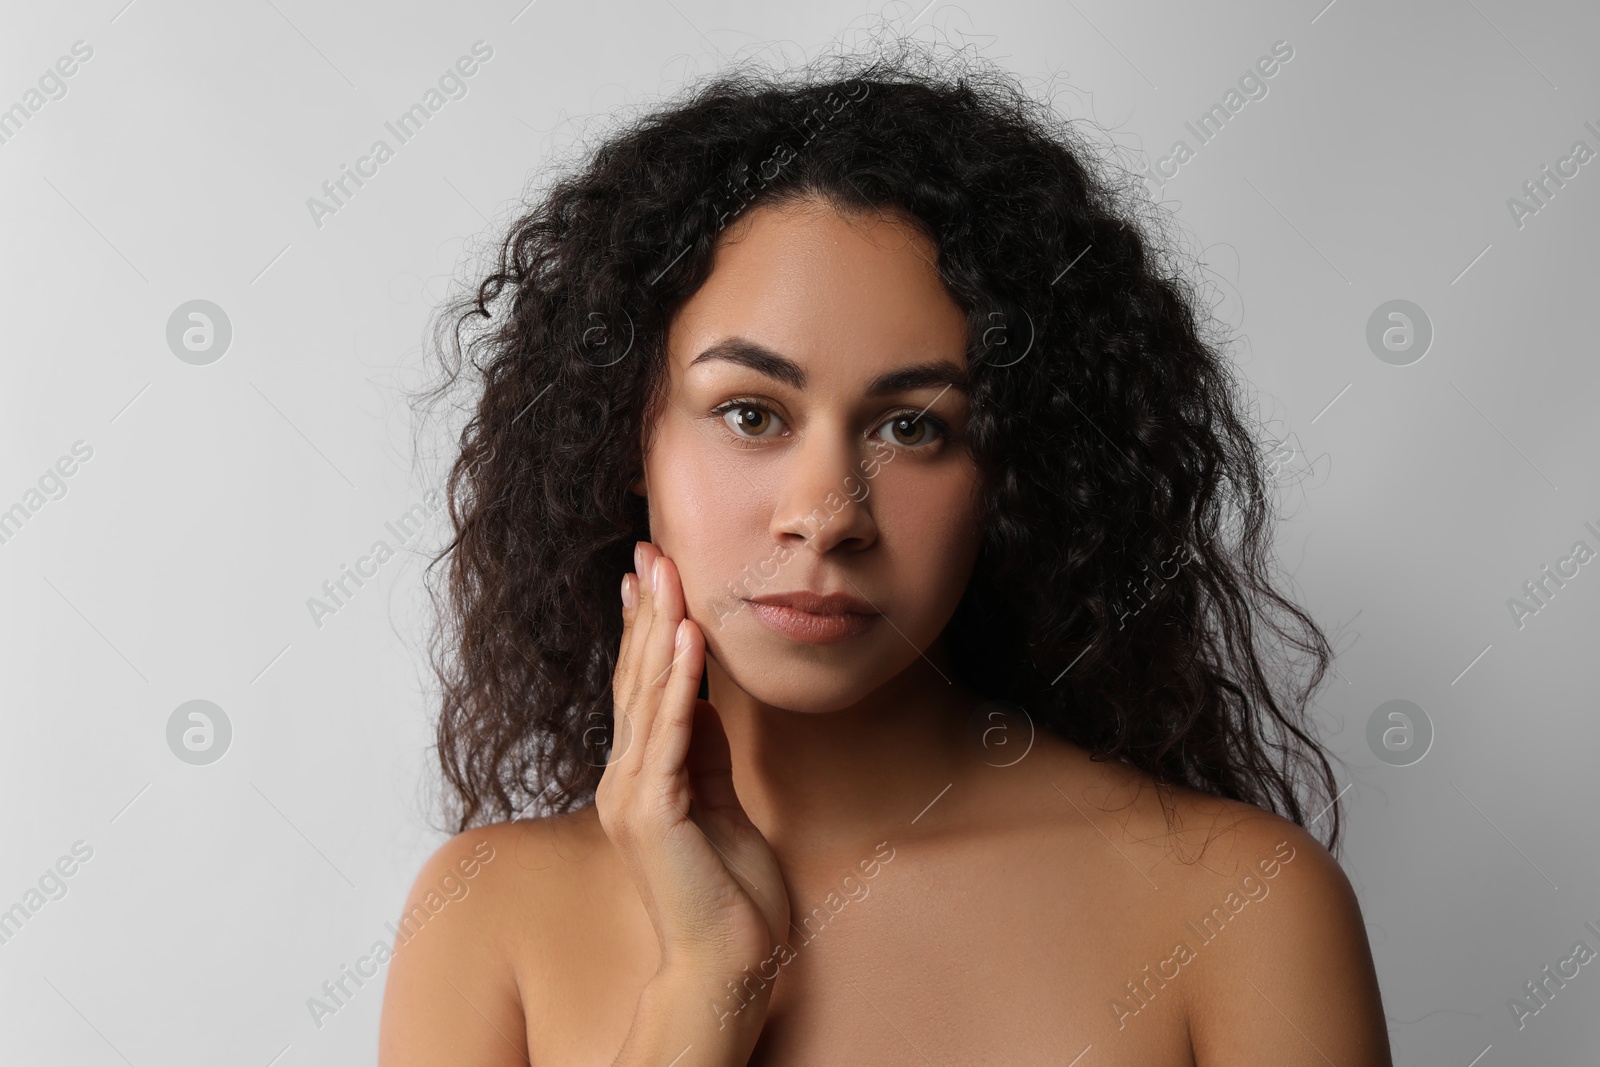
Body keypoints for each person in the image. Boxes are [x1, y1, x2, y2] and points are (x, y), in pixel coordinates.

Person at [378, 34, 1392, 1067]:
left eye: (913, 426)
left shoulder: (1240, 908)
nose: (825, 513)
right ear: (624, 434)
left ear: (1011, 470)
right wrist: (709, 980)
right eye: (749, 412)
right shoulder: (485, 920)